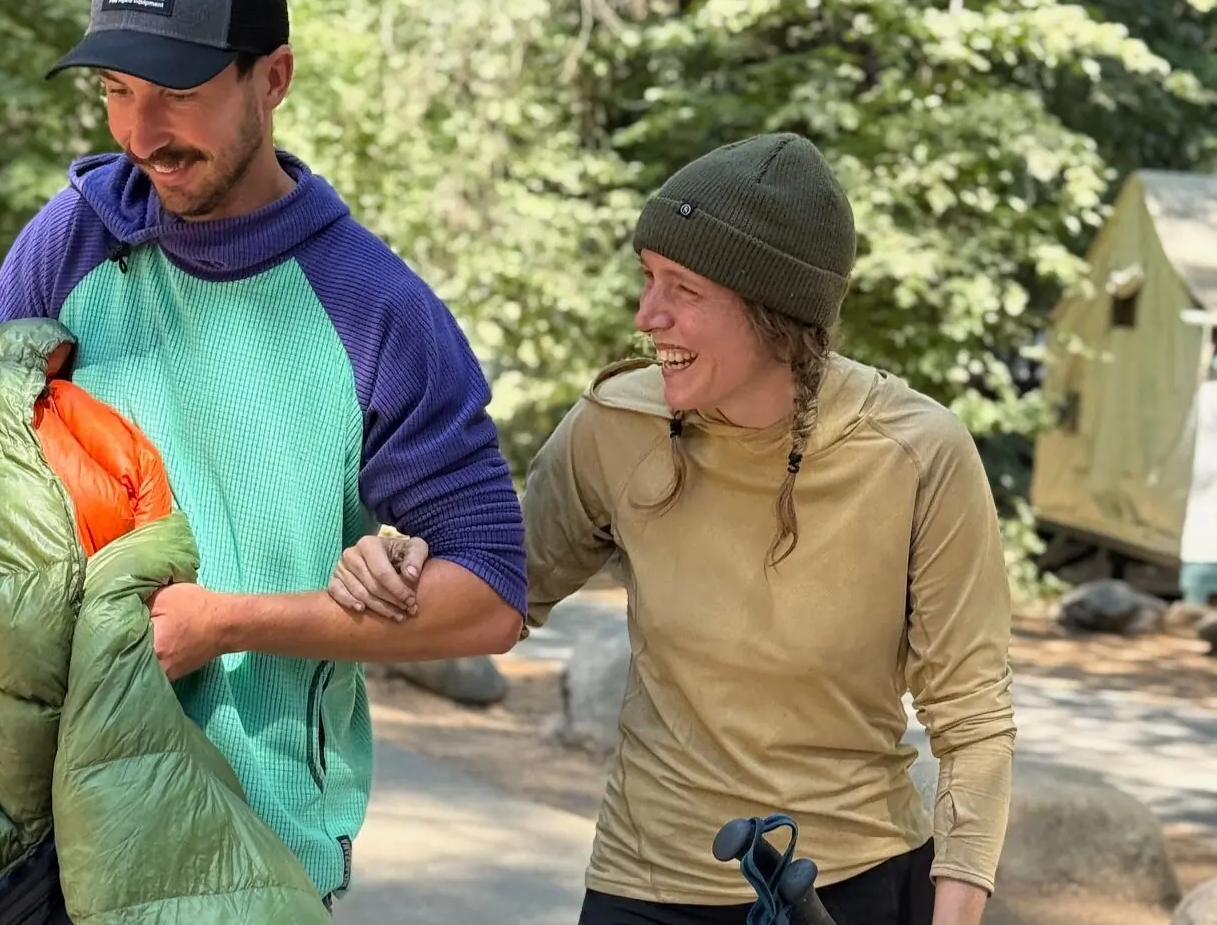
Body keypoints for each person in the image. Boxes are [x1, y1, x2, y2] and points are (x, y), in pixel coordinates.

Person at [326, 133, 1017, 924]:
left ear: (775, 311)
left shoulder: (917, 453)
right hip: (645, 885)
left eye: (681, 288)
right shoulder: (615, 425)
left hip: (851, 882)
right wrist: (401, 562)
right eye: (647, 278)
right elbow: (497, 596)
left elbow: (974, 722)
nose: (646, 315)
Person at [0, 0, 528, 913]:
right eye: (116, 91)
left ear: (271, 80)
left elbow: (489, 595)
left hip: (251, 852)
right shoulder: (70, 247)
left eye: (177, 93)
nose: (142, 133)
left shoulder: (375, 311)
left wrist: (228, 624)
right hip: (36, 828)